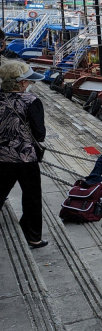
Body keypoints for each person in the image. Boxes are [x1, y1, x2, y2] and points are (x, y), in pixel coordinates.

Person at [0, 61, 47, 248]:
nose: (29, 84)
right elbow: (39, 134)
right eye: (27, 81)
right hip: (25, 156)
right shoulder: (31, 101)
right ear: (19, 83)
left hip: (1, 156)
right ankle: (33, 237)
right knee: (32, 197)